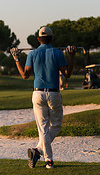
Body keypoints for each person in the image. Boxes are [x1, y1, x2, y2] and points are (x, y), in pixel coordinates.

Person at [10, 26, 76, 169]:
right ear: (52, 39)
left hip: (37, 94)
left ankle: (38, 151)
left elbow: (24, 75)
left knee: (43, 129)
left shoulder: (33, 54)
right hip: (53, 93)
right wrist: (71, 55)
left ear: (39, 39)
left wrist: (16, 59)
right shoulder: (58, 53)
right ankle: (48, 160)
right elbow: (67, 74)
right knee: (56, 126)